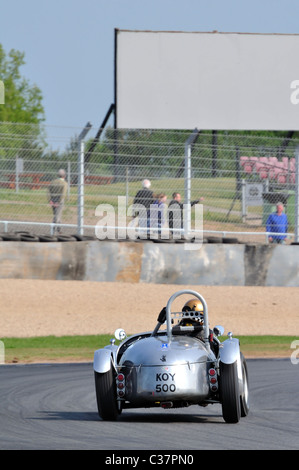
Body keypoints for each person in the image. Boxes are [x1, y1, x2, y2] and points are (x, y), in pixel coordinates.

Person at [48, 169, 68, 233]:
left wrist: (50, 200)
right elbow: (63, 194)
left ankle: (59, 229)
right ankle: (53, 229)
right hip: (59, 200)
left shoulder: (53, 182)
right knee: (57, 215)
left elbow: (48, 191)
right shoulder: (64, 183)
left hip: (53, 199)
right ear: (64, 176)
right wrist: (58, 202)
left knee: (57, 214)